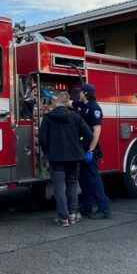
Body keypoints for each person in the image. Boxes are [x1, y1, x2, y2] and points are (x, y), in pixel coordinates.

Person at [39, 90, 93, 227]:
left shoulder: (48, 117)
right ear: (67, 102)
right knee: (72, 183)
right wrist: (79, 147)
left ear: (56, 102)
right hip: (74, 157)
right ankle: (73, 214)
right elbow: (89, 135)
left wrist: (48, 152)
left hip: (56, 158)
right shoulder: (75, 117)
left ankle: (63, 218)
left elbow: (42, 139)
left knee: (59, 187)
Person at [71, 83, 111, 219]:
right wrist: (50, 95)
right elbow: (68, 103)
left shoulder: (95, 109)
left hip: (90, 149)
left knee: (94, 180)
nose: (79, 94)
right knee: (83, 179)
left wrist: (91, 150)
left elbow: (97, 132)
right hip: (81, 148)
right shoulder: (82, 105)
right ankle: (86, 207)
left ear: (86, 94)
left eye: (80, 92)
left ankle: (104, 208)